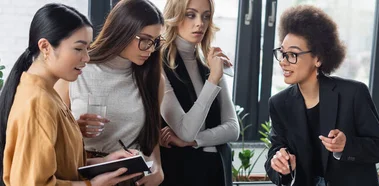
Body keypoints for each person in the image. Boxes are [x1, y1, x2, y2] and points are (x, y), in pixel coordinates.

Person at [0, 3, 142, 186]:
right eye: (78, 49)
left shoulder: (47, 93)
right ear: (45, 47)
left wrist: (107, 162)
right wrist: (94, 184)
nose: (87, 58)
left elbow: (61, 167)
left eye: (87, 48)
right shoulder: (38, 102)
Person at [265, 5, 379, 186]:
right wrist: (280, 163)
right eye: (282, 54)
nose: (284, 62)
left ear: (318, 58)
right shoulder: (279, 103)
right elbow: (276, 150)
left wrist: (346, 146)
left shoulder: (353, 93)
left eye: (292, 54)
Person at [54, 0, 165, 185]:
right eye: (145, 40)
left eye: (155, 41)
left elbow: (151, 133)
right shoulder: (75, 70)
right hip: (82, 173)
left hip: (131, 177)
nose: (151, 49)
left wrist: (158, 169)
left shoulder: (153, 79)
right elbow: (49, 132)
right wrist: (75, 127)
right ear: (123, 31)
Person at [157, 0, 239, 185]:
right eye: (191, 14)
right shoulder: (159, 65)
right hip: (180, 173)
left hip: (217, 170)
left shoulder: (211, 62)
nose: (200, 23)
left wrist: (195, 142)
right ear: (175, 16)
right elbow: (186, 130)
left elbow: (233, 128)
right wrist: (213, 80)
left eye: (206, 16)